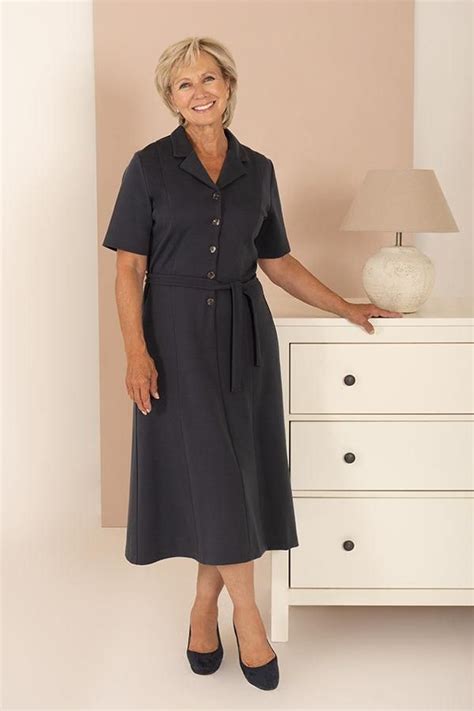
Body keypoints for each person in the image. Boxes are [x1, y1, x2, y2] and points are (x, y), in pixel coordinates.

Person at [102, 36, 402, 691]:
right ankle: (248, 613)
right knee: (216, 474)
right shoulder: (148, 167)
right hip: (175, 337)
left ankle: (203, 606)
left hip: (245, 335)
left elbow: (278, 262)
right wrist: (136, 351)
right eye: (184, 84)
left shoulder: (258, 169)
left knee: (234, 478)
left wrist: (345, 306)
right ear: (170, 98)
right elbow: (127, 266)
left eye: (209, 77)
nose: (199, 91)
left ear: (230, 86)